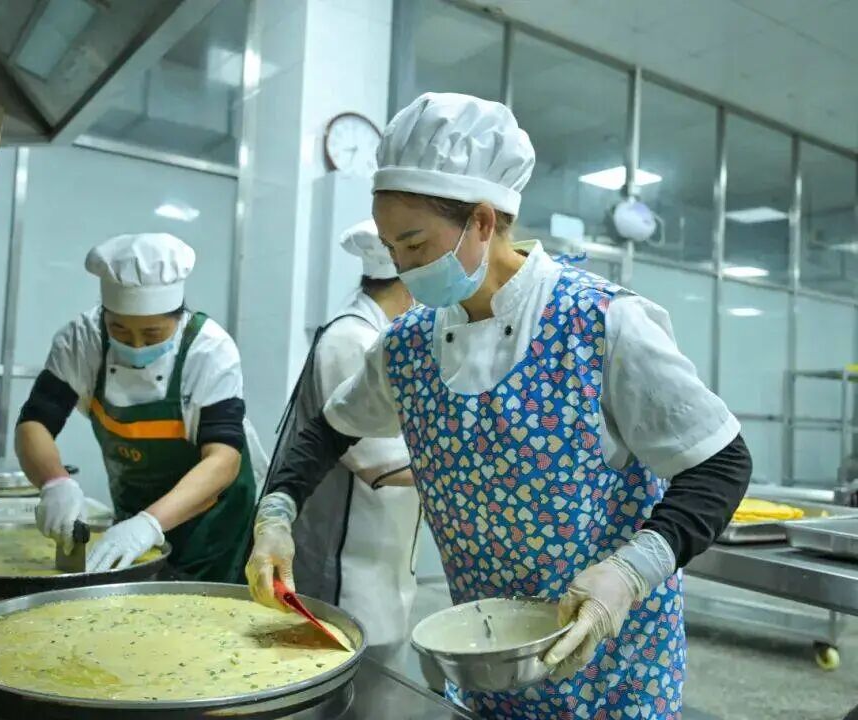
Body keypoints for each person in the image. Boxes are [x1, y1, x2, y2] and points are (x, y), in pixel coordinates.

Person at [253, 93, 751, 719]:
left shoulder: (599, 324)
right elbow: (327, 430)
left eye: (414, 244)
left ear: (484, 222)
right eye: (391, 247)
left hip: (609, 668)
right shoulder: (407, 347)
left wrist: (629, 574)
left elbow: (721, 463)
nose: (402, 268)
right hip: (487, 667)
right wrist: (276, 513)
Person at [16, 233, 258, 582]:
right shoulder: (83, 340)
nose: (137, 345)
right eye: (120, 330)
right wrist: (55, 483)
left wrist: (149, 524)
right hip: (133, 506)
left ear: (178, 317)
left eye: (153, 333)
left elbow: (223, 459)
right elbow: (35, 422)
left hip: (213, 522)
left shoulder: (209, 351)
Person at [247, 220, 421, 664]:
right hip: (348, 564)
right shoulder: (351, 339)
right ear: (411, 284)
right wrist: (475, 469)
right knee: (352, 669)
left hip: (384, 554)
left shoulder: (384, 334)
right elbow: (378, 462)